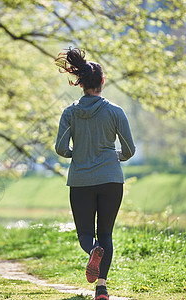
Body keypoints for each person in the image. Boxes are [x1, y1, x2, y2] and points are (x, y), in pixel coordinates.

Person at [54, 47, 135, 300]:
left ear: (81, 83)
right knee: (107, 233)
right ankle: (101, 288)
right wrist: (113, 158)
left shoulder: (70, 112)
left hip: (81, 180)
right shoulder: (116, 111)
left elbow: (60, 148)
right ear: (102, 82)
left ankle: (93, 250)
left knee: (86, 235)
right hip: (111, 179)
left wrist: (76, 155)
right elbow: (129, 149)